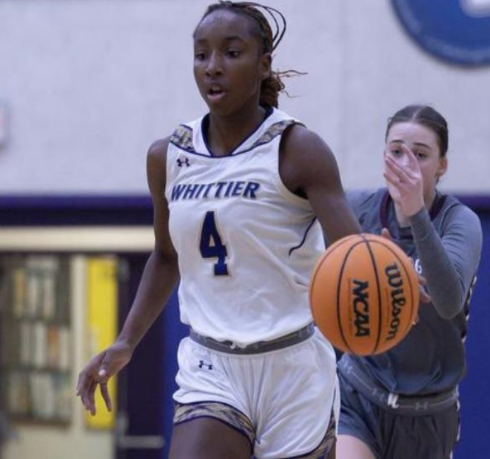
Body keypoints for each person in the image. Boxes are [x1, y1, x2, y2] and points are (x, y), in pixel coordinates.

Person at [76, 2, 361, 458]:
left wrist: (394, 277)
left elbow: (353, 254)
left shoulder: (297, 149)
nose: (213, 68)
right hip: (213, 364)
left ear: (263, 63)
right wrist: (126, 341)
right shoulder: (167, 156)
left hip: (295, 366)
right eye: (201, 54)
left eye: (231, 53)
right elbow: (167, 257)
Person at [336, 105, 483, 459]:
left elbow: (448, 301)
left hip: (429, 413)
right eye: (397, 151)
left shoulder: (460, 222)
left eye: (420, 155)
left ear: (441, 166)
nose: (406, 163)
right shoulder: (358, 208)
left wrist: (417, 212)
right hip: (360, 395)